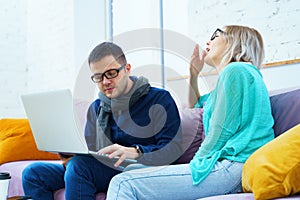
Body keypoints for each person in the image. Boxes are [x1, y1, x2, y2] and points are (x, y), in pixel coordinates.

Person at [106, 25, 275, 200]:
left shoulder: (236, 71)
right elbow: (196, 105)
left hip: (233, 165)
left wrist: (196, 163)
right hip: (233, 166)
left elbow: (221, 131)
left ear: (235, 42)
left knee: (123, 183)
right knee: (131, 171)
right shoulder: (239, 76)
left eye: (216, 35)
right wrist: (193, 74)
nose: (208, 41)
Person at [22, 42, 183, 199]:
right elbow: (92, 151)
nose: (105, 81)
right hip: (106, 168)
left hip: (139, 169)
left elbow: (173, 150)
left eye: (112, 73)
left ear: (127, 69)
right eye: (98, 77)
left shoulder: (159, 99)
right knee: (33, 173)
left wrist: (135, 152)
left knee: (79, 167)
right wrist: (69, 153)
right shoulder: (97, 107)